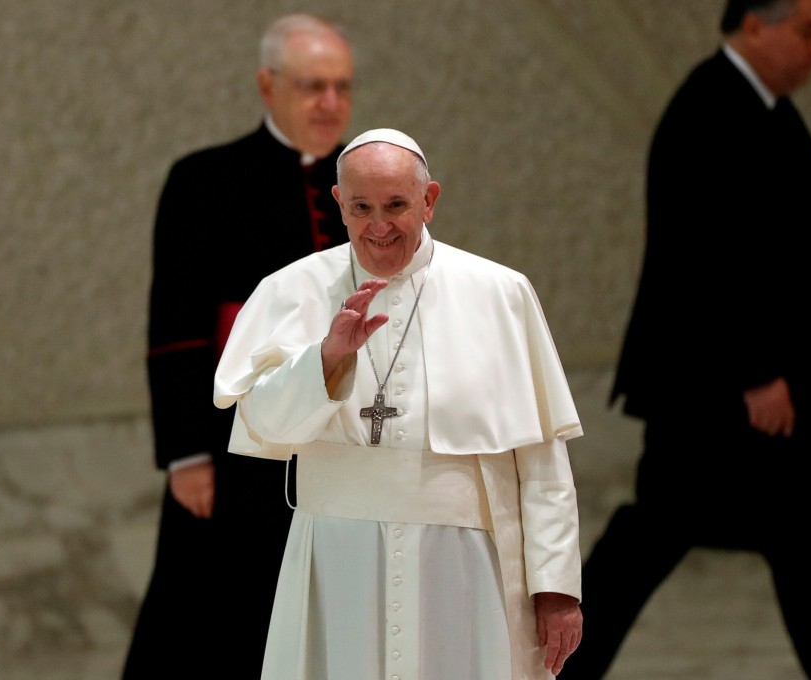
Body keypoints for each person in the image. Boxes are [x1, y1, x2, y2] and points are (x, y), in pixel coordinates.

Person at [559, 1, 811, 678]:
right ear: (756, 26)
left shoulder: (759, 106)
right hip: (732, 397)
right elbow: (704, 256)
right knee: (670, 533)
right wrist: (759, 373)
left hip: (745, 399)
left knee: (779, 543)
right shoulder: (711, 109)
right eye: (808, 30)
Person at [213, 128, 584, 679]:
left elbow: (542, 458)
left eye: (396, 206)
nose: (379, 226)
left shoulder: (499, 293)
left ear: (429, 201)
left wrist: (556, 587)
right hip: (338, 560)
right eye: (361, 207)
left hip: (464, 567)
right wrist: (325, 361)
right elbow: (263, 427)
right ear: (340, 204)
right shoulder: (291, 290)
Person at [121, 14, 354, 679]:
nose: (330, 103)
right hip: (237, 438)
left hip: (338, 436)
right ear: (267, 85)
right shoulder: (204, 180)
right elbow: (177, 322)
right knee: (212, 622)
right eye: (313, 86)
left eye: (341, 87)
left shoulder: (365, 181)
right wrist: (187, 453)